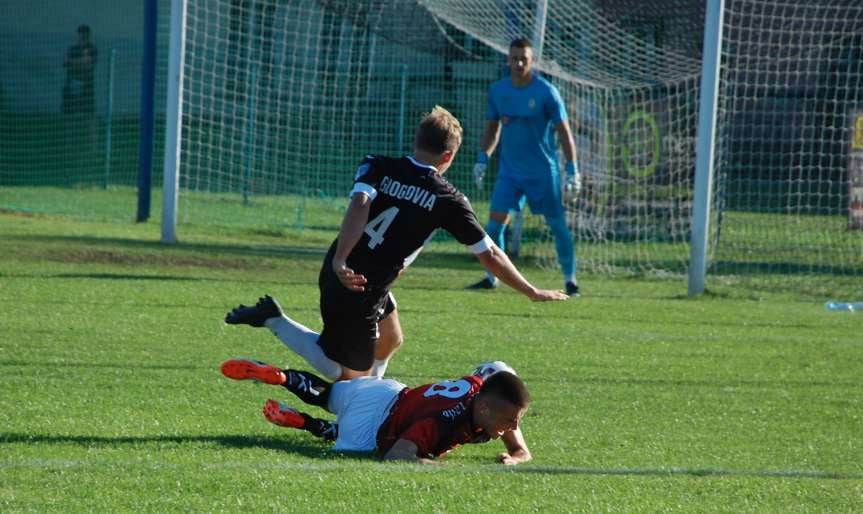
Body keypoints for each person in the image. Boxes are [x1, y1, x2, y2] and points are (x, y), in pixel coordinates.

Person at [226, 106, 568, 382]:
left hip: (349, 271)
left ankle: (374, 399)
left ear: (416, 141)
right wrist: (530, 290)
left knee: (392, 339)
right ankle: (274, 319)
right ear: (449, 157)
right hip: (358, 285)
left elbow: (361, 203)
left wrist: (340, 259)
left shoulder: (377, 164)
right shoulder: (447, 199)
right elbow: (490, 253)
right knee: (345, 376)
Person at [220, 357, 532, 464]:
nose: (511, 426)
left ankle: (283, 377)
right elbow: (397, 455)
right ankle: (308, 424)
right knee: (356, 442)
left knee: (327, 394)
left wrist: (517, 455)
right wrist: (438, 467)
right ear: (487, 405)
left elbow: (504, 399)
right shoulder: (444, 418)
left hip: (385, 390)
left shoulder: (484, 392)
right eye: (508, 421)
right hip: (371, 427)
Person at [467, 37, 581, 296]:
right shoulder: (498, 91)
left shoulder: (546, 92)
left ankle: (571, 281)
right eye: (514, 58)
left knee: (557, 225)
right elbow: (492, 130)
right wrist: (482, 158)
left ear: (532, 61)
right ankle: (492, 277)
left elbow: (564, 132)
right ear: (507, 59)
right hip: (510, 172)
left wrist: (572, 168)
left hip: (543, 172)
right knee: (494, 225)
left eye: (524, 59)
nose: (519, 63)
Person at [62, 24, 97, 115]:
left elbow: (88, 63)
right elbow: (65, 62)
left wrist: (73, 62)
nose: (82, 36)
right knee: (69, 107)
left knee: (87, 109)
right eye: (80, 33)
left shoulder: (92, 48)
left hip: (86, 82)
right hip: (72, 80)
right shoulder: (73, 48)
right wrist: (80, 61)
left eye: (84, 33)